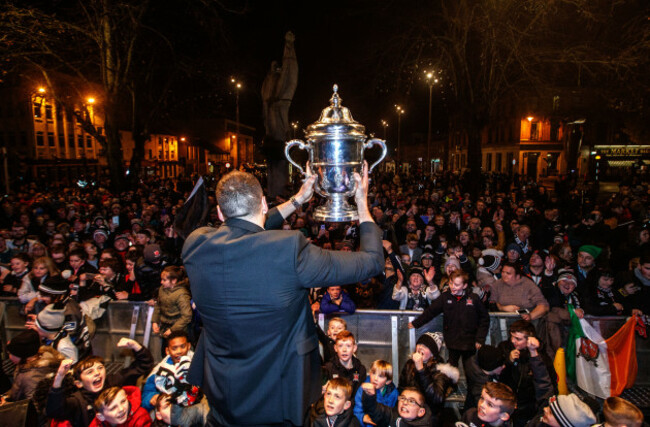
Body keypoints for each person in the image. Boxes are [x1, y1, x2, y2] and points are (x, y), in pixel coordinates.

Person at [182, 165, 384, 425]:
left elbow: (244, 229)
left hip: (222, 392)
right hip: (278, 399)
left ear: (220, 212)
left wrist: (298, 199)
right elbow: (371, 261)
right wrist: (361, 203)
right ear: (264, 204)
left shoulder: (196, 244)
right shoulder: (290, 251)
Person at [46, 338, 153, 427]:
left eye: (100, 368)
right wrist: (60, 377)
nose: (97, 373)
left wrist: (135, 345)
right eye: (90, 372)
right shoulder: (78, 401)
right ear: (79, 383)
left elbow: (144, 365)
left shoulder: (113, 382)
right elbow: (54, 411)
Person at [409, 270, 490, 369]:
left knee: (471, 370)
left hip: (470, 342)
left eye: (456, 284)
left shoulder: (473, 298)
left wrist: (480, 339)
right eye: (451, 283)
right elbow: (431, 311)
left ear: (464, 286)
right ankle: (452, 384)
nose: (452, 287)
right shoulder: (445, 297)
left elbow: (484, 318)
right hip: (452, 342)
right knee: (451, 371)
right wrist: (416, 323)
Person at [142, 331, 200, 412]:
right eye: (174, 348)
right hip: (171, 412)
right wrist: (153, 398)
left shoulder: (200, 364)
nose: (179, 351)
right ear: (167, 351)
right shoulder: (159, 371)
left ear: (188, 346)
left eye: (182, 346)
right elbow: (145, 397)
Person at [0, 329, 63, 403]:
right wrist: (6, 396)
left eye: (10, 353)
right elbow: (17, 388)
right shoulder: (25, 365)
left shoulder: (31, 377)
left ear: (21, 355)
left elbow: (32, 406)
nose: (9, 356)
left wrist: (7, 404)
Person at [322, 330, 367, 400]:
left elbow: (359, 397)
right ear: (335, 348)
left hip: (353, 408)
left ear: (354, 348)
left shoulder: (361, 370)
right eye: (340, 346)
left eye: (348, 346)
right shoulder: (328, 368)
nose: (344, 350)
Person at [360, 385, 433, 427]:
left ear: (421, 411)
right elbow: (374, 409)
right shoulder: (392, 414)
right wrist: (369, 396)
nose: (405, 402)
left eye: (411, 401)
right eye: (402, 398)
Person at [152, 266, 193, 339]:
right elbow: (158, 305)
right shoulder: (162, 289)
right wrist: (155, 321)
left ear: (174, 280)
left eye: (164, 280)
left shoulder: (181, 294)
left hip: (179, 331)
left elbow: (187, 316)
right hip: (165, 328)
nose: (161, 282)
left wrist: (172, 329)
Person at [354, 360, 398, 427]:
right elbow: (357, 409)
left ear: (388, 381)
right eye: (373, 373)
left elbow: (391, 415)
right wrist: (362, 417)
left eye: (381, 376)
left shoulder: (393, 393)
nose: (375, 378)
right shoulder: (363, 389)